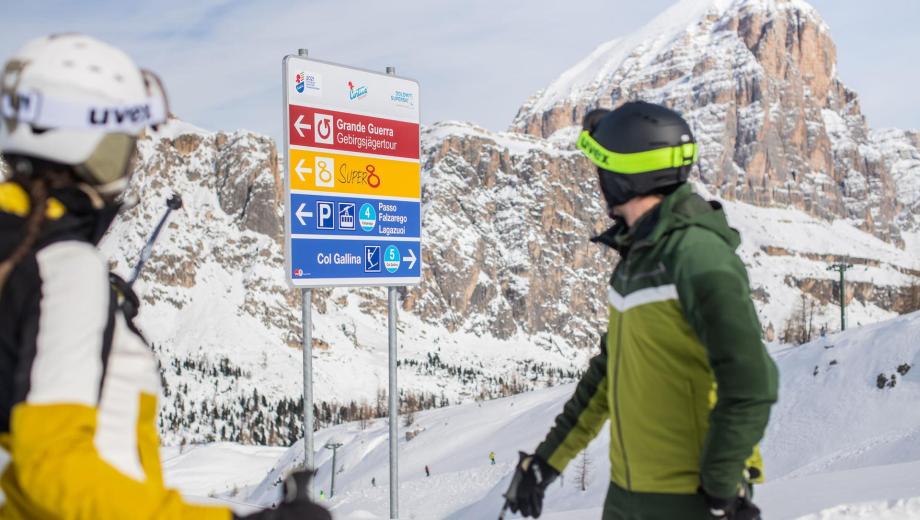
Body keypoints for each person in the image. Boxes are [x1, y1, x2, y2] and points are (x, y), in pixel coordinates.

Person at [0, 34, 330, 520]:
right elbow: (52, 470)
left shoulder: (18, 248)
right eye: (122, 147)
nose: (129, 167)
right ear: (90, 142)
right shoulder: (61, 266)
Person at [502, 102, 778, 520]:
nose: (598, 181)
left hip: (689, 500)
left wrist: (721, 486)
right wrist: (545, 464)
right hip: (627, 498)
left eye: (601, 169)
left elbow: (751, 380)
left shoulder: (696, 254)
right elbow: (606, 378)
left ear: (621, 177)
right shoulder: (638, 260)